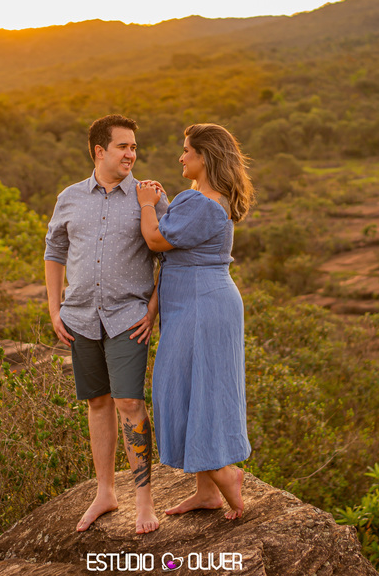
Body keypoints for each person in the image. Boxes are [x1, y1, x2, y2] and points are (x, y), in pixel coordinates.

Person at [44, 114, 167, 534]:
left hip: (127, 319)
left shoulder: (149, 197)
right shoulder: (69, 198)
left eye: (134, 147)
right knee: (97, 403)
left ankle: (144, 500)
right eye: (123, 146)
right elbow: (54, 251)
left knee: (129, 403)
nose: (131, 154)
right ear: (100, 151)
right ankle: (105, 492)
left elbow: (169, 258)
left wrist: (152, 311)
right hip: (80, 317)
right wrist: (54, 308)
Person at [135, 122, 255, 520]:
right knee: (193, 387)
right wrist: (165, 202)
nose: (181, 157)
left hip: (203, 304)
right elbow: (181, 235)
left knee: (191, 386)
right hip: (195, 302)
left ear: (204, 156)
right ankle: (206, 491)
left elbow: (156, 240)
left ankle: (224, 473)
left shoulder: (204, 203)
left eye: (187, 150)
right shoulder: (201, 201)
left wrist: (147, 203)